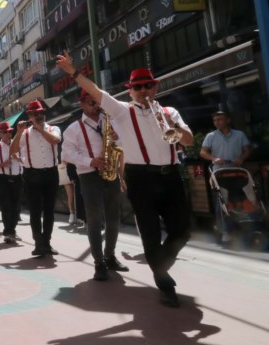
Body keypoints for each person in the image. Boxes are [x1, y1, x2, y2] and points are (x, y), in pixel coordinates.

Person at [56, 54, 193, 307]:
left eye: (147, 86)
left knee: (183, 230)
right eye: (137, 87)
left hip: (171, 175)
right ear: (130, 91)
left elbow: (188, 141)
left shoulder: (169, 111)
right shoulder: (122, 111)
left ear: (156, 86)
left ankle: (160, 262)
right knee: (150, 234)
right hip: (141, 178)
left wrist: (172, 123)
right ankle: (164, 282)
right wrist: (73, 71)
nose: (143, 91)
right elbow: (95, 91)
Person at [61, 89, 129, 281]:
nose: (96, 105)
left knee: (114, 217)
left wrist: (118, 139)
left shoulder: (111, 122)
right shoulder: (73, 128)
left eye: (97, 102)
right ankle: (99, 261)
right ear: (81, 103)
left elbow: (123, 146)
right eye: (91, 102)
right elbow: (66, 154)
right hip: (89, 176)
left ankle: (110, 255)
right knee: (94, 219)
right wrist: (90, 161)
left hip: (111, 174)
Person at [10, 100, 62, 257]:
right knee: (35, 211)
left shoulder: (54, 129)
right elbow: (13, 150)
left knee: (49, 211)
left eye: (41, 113)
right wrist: (18, 132)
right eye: (35, 113)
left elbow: (56, 140)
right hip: (32, 175)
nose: (39, 115)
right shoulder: (24, 133)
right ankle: (38, 243)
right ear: (29, 116)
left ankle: (46, 242)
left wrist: (40, 128)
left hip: (51, 173)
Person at [200, 110, 252, 242]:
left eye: (220, 119)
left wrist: (241, 158)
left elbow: (247, 150)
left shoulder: (239, 135)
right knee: (222, 201)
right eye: (215, 120)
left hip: (237, 172)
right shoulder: (211, 136)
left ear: (227, 120)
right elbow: (203, 152)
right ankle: (225, 230)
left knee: (239, 198)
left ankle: (242, 226)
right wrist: (214, 158)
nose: (217, 122)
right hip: (219, 173)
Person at [0, 122, 23, 243]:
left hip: (17, 177)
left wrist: (20, 159)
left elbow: (27, 160)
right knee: (6, 206)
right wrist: (2, 164)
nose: (9, 134)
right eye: (6, 132)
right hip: (3, 178)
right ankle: (8, 232)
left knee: (16, 207)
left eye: (10, 131)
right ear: (0, 134)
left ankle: (12, 230)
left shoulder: (19, 145)